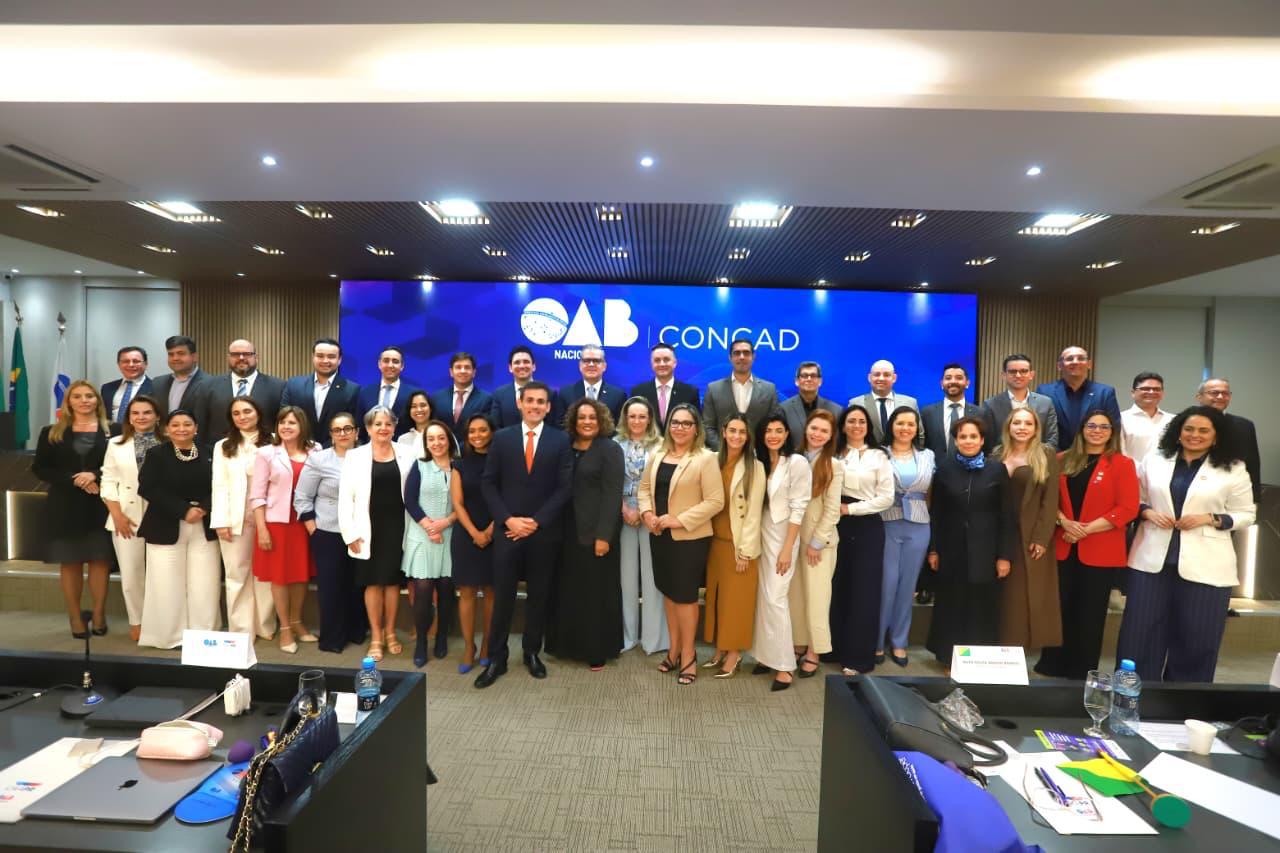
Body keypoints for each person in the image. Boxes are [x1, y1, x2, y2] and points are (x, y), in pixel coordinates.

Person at [1117, 405, 1255, 683]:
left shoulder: (1234, 468)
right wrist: (1146, 512)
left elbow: (1246, 514)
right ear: (1178, 432)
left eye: (1204, 430)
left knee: (1197, 639)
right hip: (1150, 561)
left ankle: (1185, 701)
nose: (1195, 435)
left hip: (1208, 567)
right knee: (1139, 635)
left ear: (1216, 436)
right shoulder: (1155, 459)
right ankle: (1134, 695)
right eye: (1189, 429)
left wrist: (1211, 518)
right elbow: (1135, 497)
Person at [476, 381, 574, 687]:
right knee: (503, 597)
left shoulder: (561, 440)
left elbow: (565, 488)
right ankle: (497, 657)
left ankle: (532, 652)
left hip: (544, 533)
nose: (534, 406)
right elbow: (489, 483)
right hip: (508, 532)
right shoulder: (502, 438)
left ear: (548, 407)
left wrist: (536, 522)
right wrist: (508, 520)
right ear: (519, 403)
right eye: (529, 400)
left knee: (539, 596)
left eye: (540, 401)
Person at [1035, 410, 1139, 679]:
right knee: (1058, 607)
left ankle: (1081, 668)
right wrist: (1064, 522)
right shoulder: (1061, 460)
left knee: (1090, 611)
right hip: (1063, 544)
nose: (1097, 431)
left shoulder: (1122, 464)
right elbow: (1047, 499)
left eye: (1104, 427)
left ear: (1112, 433)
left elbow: (1127, 508)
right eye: (1091, 426)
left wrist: (1085, 530)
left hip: (1100, 548)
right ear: (1081, 429)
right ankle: (1051, 663)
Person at [638, 402, 724, 686]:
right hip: (659, 536)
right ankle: (673, 649)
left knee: (685, 597)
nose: (680, 428)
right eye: (675, 422)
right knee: (668, 593)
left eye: (687, 423)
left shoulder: (706, 458)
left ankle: (689, 655)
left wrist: (679, 520)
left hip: (689, 539)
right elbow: (645, 489)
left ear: (696, 428)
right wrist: (647, 514)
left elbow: (715, 501)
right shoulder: (658, 454)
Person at [925, 416, 1016, 666]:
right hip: (951, 548)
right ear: (956, 441)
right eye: (962, 436)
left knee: (981, 606)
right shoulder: (945, 469)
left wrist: (1004, 556)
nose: (968, 441)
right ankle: (948, 658)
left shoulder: (996, 470)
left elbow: (1007, 515)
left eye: (973, 436)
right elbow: (936, 513)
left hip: (986, 550)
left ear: (982, 440)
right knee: (951, 603)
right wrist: (933, 550)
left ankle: (977, 662)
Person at [34, 380, 116, 638]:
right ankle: (75, 617)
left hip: (101, 504)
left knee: (100, 560)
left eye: (89, 396)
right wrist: (75, 479)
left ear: (97, 401)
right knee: (70, 561)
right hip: (65, 504)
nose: (84, 401)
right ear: (68, 402)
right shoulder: (51, 432)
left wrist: (94, 475)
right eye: (77, 396)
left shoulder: (113, 430)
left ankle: (99, 613)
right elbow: (41, 468)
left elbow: (122, 464)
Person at [136, 409, 220, 649]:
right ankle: (170, 637)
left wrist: (202, 508)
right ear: (166, 429)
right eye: (175, 425)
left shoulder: (210, 452)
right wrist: (183, 510)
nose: (181, 429)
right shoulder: (156, 454)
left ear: (196, 428)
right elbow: (147, 488)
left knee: (205, 583)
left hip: (203, 525)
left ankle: (203, 636)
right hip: (165, 525)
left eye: (187, 424)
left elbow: (221, 484)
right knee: (166, 583)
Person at [338, 406, 417, 661]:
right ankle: (375, 636)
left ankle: (391, 632)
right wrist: (349, 534)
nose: (383, 428)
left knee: (392, 583)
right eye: (377, 424)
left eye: (388, 424)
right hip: (366, 529)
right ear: (368, 428)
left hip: (398, 526)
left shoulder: (407, 453)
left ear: (394, 427)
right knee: (372, 583)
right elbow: (345, 499)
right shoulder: (355, 456)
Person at [556, 398, 626, 670]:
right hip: (566, 531)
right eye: (582, 417)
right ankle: (568, 645)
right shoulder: (565, 447)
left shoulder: (610, 449)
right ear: (574, 421)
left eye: (592, 417)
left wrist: (604, 537)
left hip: (596, 534)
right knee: (570, 590)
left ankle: (597, 649)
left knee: (596, 593)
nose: (587, 422)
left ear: (601, 421)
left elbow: (612, 495)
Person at [828, 405, 894, 674]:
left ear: (868, 426)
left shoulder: (879, 456)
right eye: (851, 421)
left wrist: (850, 509)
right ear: (843, 425)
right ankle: (832, 649)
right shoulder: (832, 453)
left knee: (863, 591)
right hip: (834, 525)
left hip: (866, 526)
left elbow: (886, 498)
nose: (856, 425)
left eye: (862, 421)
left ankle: (857, 658)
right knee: (836, 587)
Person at [748, 412, 811, 692]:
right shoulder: (759, 461)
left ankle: (785, 666)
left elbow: (799, 506)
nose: (773, 435)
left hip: (784, 536)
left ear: (787, 434)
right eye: (768, 431)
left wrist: (788, 548)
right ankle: (765, 656)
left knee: (776, 598)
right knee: (762, 598)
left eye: (778, 430)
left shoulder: (796, 462)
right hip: (761, 534)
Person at [295, 411, 368, 654]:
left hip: (360, 531)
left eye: (348, 428)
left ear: (357, 432)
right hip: (328, 531)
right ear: (331, 434)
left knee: (357, 584)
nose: (343, 434)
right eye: (337, 430)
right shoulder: (319, 460)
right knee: (331, 587)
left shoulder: (367, 456)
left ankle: (356, 632)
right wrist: (312, 528)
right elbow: (302, 496)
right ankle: (333, 639)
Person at [992, 408, 1062, 651]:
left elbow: (1050, 501)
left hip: (1029, 534)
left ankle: (1015, 648)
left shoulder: (1045, 455)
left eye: (1028, 423)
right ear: (1008, 426)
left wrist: (1042, 538)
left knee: (1020, 595)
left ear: (1035, 429)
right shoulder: (996, 454)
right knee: (1000, 592)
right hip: (998, 532)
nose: (1022, 427)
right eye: (1017, 423)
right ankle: (996, 645)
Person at [250, 406, 318, 654]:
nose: (286, 427)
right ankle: (286, 628)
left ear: (302, 426)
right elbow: (257, 495)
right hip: (277, 523)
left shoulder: (316, 450)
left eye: (292, 422)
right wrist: (262, 528)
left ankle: (298, 621)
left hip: (305, 522)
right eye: (282, 423)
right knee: (280, 577)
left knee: (300, 574)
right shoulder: (266, 453)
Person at [702, 412, 765, 678]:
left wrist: (746, 552)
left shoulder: (755, 467)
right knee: (717, 599)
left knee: (736, 602)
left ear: (748, 436)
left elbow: (753, 514)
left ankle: (734, 653)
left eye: (742, 432)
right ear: (724, 432)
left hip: (737, 545)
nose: (737, 436)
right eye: (732, 431)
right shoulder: (712, 461)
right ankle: (720, 647)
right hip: (713, 542)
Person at [209, 396, 276, 642]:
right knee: (236, 573)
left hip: (268, 517)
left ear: (258, 413)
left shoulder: (275, 441)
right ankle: (241, 629)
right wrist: (221, 521)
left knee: (265, 574)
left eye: (247, 411)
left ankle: (264, 625)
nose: (242, 417)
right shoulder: (223, 446)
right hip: (234, 517)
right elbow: (218, 485)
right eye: (236, 413)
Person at [100, 394, 162, 642]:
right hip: (126, 514)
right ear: (128, 417)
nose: (141, 417)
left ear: (157, 416)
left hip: (162, 513)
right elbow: (107, 481)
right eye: (135, 413)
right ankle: (137, 621)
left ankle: (162, 620)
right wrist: (117, 515)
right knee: (132, 572)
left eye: (147, 412)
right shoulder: (116, 443)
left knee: (163, 571)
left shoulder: (169, 440)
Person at [876, 407, 935, 668]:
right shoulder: (879, 454)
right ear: (892, 425)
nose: (905, 428)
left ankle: (899, 641)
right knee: (886, 585)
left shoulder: (928, 455)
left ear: (917, 428)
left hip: (918, 525)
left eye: (911, 424)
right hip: (886, 523)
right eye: (900, 423)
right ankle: (877, 641)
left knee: (907, 586)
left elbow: (931, 491)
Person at [402, 420, 460, 667]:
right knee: (423, 591)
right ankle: (421, 642)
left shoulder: (459, 467)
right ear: (426, 443)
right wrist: (430, 527)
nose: (436, 443)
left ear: (449, 440)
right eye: (431, 439)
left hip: (451, 535)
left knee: (446, 590)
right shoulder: (419, 466)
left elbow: (465, 503)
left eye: (441, 438)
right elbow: (410, 500)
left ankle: (442, 637)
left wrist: (445, 523)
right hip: (422, 535)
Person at [614, 396, 669, 657]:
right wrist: (624, 509)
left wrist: (645, 512)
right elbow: (609, 481)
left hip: (651, 517)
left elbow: (664, 483)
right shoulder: (615, 444)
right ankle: (627, 636)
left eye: (642, 416)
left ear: (650, 419)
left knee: (652, 578)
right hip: (623, 515)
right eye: (632, 416)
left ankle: (653, 639)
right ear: (625, 419)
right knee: (625, 579)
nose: (637, 421)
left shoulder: (661, 445)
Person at [791, 409, 843, 675]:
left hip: (818, 545)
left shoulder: (833, 465)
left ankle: (815, 650)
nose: (817, 434)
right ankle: (799, 643)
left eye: (824, 430)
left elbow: (832, 509)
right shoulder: (794, 458)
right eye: (814, 428)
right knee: (797, 597)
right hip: (793, 539)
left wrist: (817, 542)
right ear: (806, 429)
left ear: (831, 436)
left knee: (817, 599)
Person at [450, 413, 498, 673]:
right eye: (472, 431)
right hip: (466, 534)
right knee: (467, 592)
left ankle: (487, 645)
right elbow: (457, 503)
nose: (477, 435)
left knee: (492, 592)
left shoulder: (502, 461)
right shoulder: (459, 464)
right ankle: (469, 647)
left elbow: (507, 498)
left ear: (492, 432)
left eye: (482, 430)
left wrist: (489, 531)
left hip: (496, 531)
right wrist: (474, 533)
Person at [280, 337, 361, 448]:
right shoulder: (294, 385)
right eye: (320, 356)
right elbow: (284, 418)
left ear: (339, 360)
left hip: (336, 450)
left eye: (331, 357)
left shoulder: (352, 390)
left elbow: (352, 425)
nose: (325, 361)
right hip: (299, 448)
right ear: (313, 357)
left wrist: (325, 448)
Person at [1037, 346, 1120, 451]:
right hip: (1054, 455)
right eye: (1069, 359)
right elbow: (1039, 427)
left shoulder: (1105, 393)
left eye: (1081, 358)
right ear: (1059, 366)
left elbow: (1114, 427)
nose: (1075, 362)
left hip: (1093, 455)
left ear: (1089, 364)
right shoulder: (1045, 391)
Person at [702, 338, 779, 449]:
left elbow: (773, 426)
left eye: (746, 353)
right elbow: (707, 426)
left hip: (758, 455)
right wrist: (724, 452)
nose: (742, 357)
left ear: (753, 357)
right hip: (721, 455)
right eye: (737, 353)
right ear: (730, 358)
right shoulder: (713, 389)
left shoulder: (769, 389)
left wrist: (759, 452)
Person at [1195, 378, 1262, 504]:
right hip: (1193, 490)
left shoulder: (1244, 425)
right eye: (1214, 393)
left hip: (1233, 491)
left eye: (1225, 393)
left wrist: (1255, 498)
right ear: (1199, 397)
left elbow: (1252, 462)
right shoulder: (1184, 422)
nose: (1220, 396)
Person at [202, 339, 285, 438]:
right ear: (228, 358)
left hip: (264, 445)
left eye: (247, 354)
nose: (241, 358)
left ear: (256, 357)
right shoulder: (209, 386)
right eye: (235, 354)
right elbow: (201, 423)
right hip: (220, 446)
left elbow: (282, 422)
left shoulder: (278, 386)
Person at [980, 354, 1059, 451]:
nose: (1018, 375)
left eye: (1023, 371)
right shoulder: (991, 405)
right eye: (1012, 371)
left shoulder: (1046, 403)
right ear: (1004, 375)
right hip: (1002, 458)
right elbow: (988, 443)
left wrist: (1033, 456)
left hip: (1038, 458)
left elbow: (1052, 440)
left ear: (1031, 375)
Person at [848, 360, 920, 445]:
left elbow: (919, 435)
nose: (881, 378)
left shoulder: (910, 403)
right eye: (877, 374)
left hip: (901, 452)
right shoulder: (856, 403)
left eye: (886, 375)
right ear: (869, 377)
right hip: (867, 452)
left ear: (894, 378)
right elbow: (850, 435)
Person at [356, 345, 420, 440]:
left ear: (402, 366)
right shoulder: (365, 393)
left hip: (403, 447)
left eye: (395, 361)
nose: (390, 365)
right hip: (371, 447)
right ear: (379, 364)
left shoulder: (413, 394)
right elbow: (360, 427)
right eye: (386, 361)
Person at [629, 342, 700, 427]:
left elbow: (696, 425)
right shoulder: (638, 392)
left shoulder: (690, 392)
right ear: (652, 364)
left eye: (666, 360)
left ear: (674, 363)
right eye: (657, 360)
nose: (662, 364)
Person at [430, 351, 493, 446]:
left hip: (472, 450)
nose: (463, 371)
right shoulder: (437, 398)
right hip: (442, 449)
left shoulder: (486, 399)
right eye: (458, 367)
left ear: (474, 372)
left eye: (467, 367)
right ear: (451, 372)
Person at [151, 335, 214, 428]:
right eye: (171, 354)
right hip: (163, 437)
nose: (175, 358)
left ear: (194, 357)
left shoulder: (211, 384)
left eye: (181, 353)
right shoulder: (157, 383)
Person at [921, 363, 981, 459]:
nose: (953, 381)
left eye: (959, 378)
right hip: (935, 467)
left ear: (967, 383)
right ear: (942, 384)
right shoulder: (927, 413)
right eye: (948, 378)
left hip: (970, 467)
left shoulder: (979, 413)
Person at [780, 361, 842, 452]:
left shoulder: (836, 410)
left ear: (820, 381)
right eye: (804, 376)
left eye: (813, 376)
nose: (809, 379)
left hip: (825, 459)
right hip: (793, 459)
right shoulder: (784, 409)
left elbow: (838, 443)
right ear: (797, 381)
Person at [557, 345, 627, 423]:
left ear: (604, 366)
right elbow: (560, 425)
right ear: (580, 365)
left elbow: (620, 426)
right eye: (586, 360)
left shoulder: (618, 396)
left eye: (596, 361)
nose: (591, 364)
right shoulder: (566, 394)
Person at [489, 345, 552, 429]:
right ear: (510, 368)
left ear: (534, 366)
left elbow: (553, 426)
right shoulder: (499, 395)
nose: (522, 366)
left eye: (526, 362)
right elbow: (495, 427)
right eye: (517, 362)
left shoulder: (549, 393)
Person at [1120, 372, 1172, 464]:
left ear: (1162, 393)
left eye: (1156, 389)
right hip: (1131, 471)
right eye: (1145, 389)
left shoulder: (1172, 419)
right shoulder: (1121, 419)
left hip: (1165, 472)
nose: (1151, 392)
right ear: (1133, 392)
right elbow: (1120, 453)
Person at [101, 346, 154, 424]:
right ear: (119, 364)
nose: (131, 365)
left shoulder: (156, 387)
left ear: (145, 364)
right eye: (125, 361)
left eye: (136, 361)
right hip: (112, 431)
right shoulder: (107, 388)